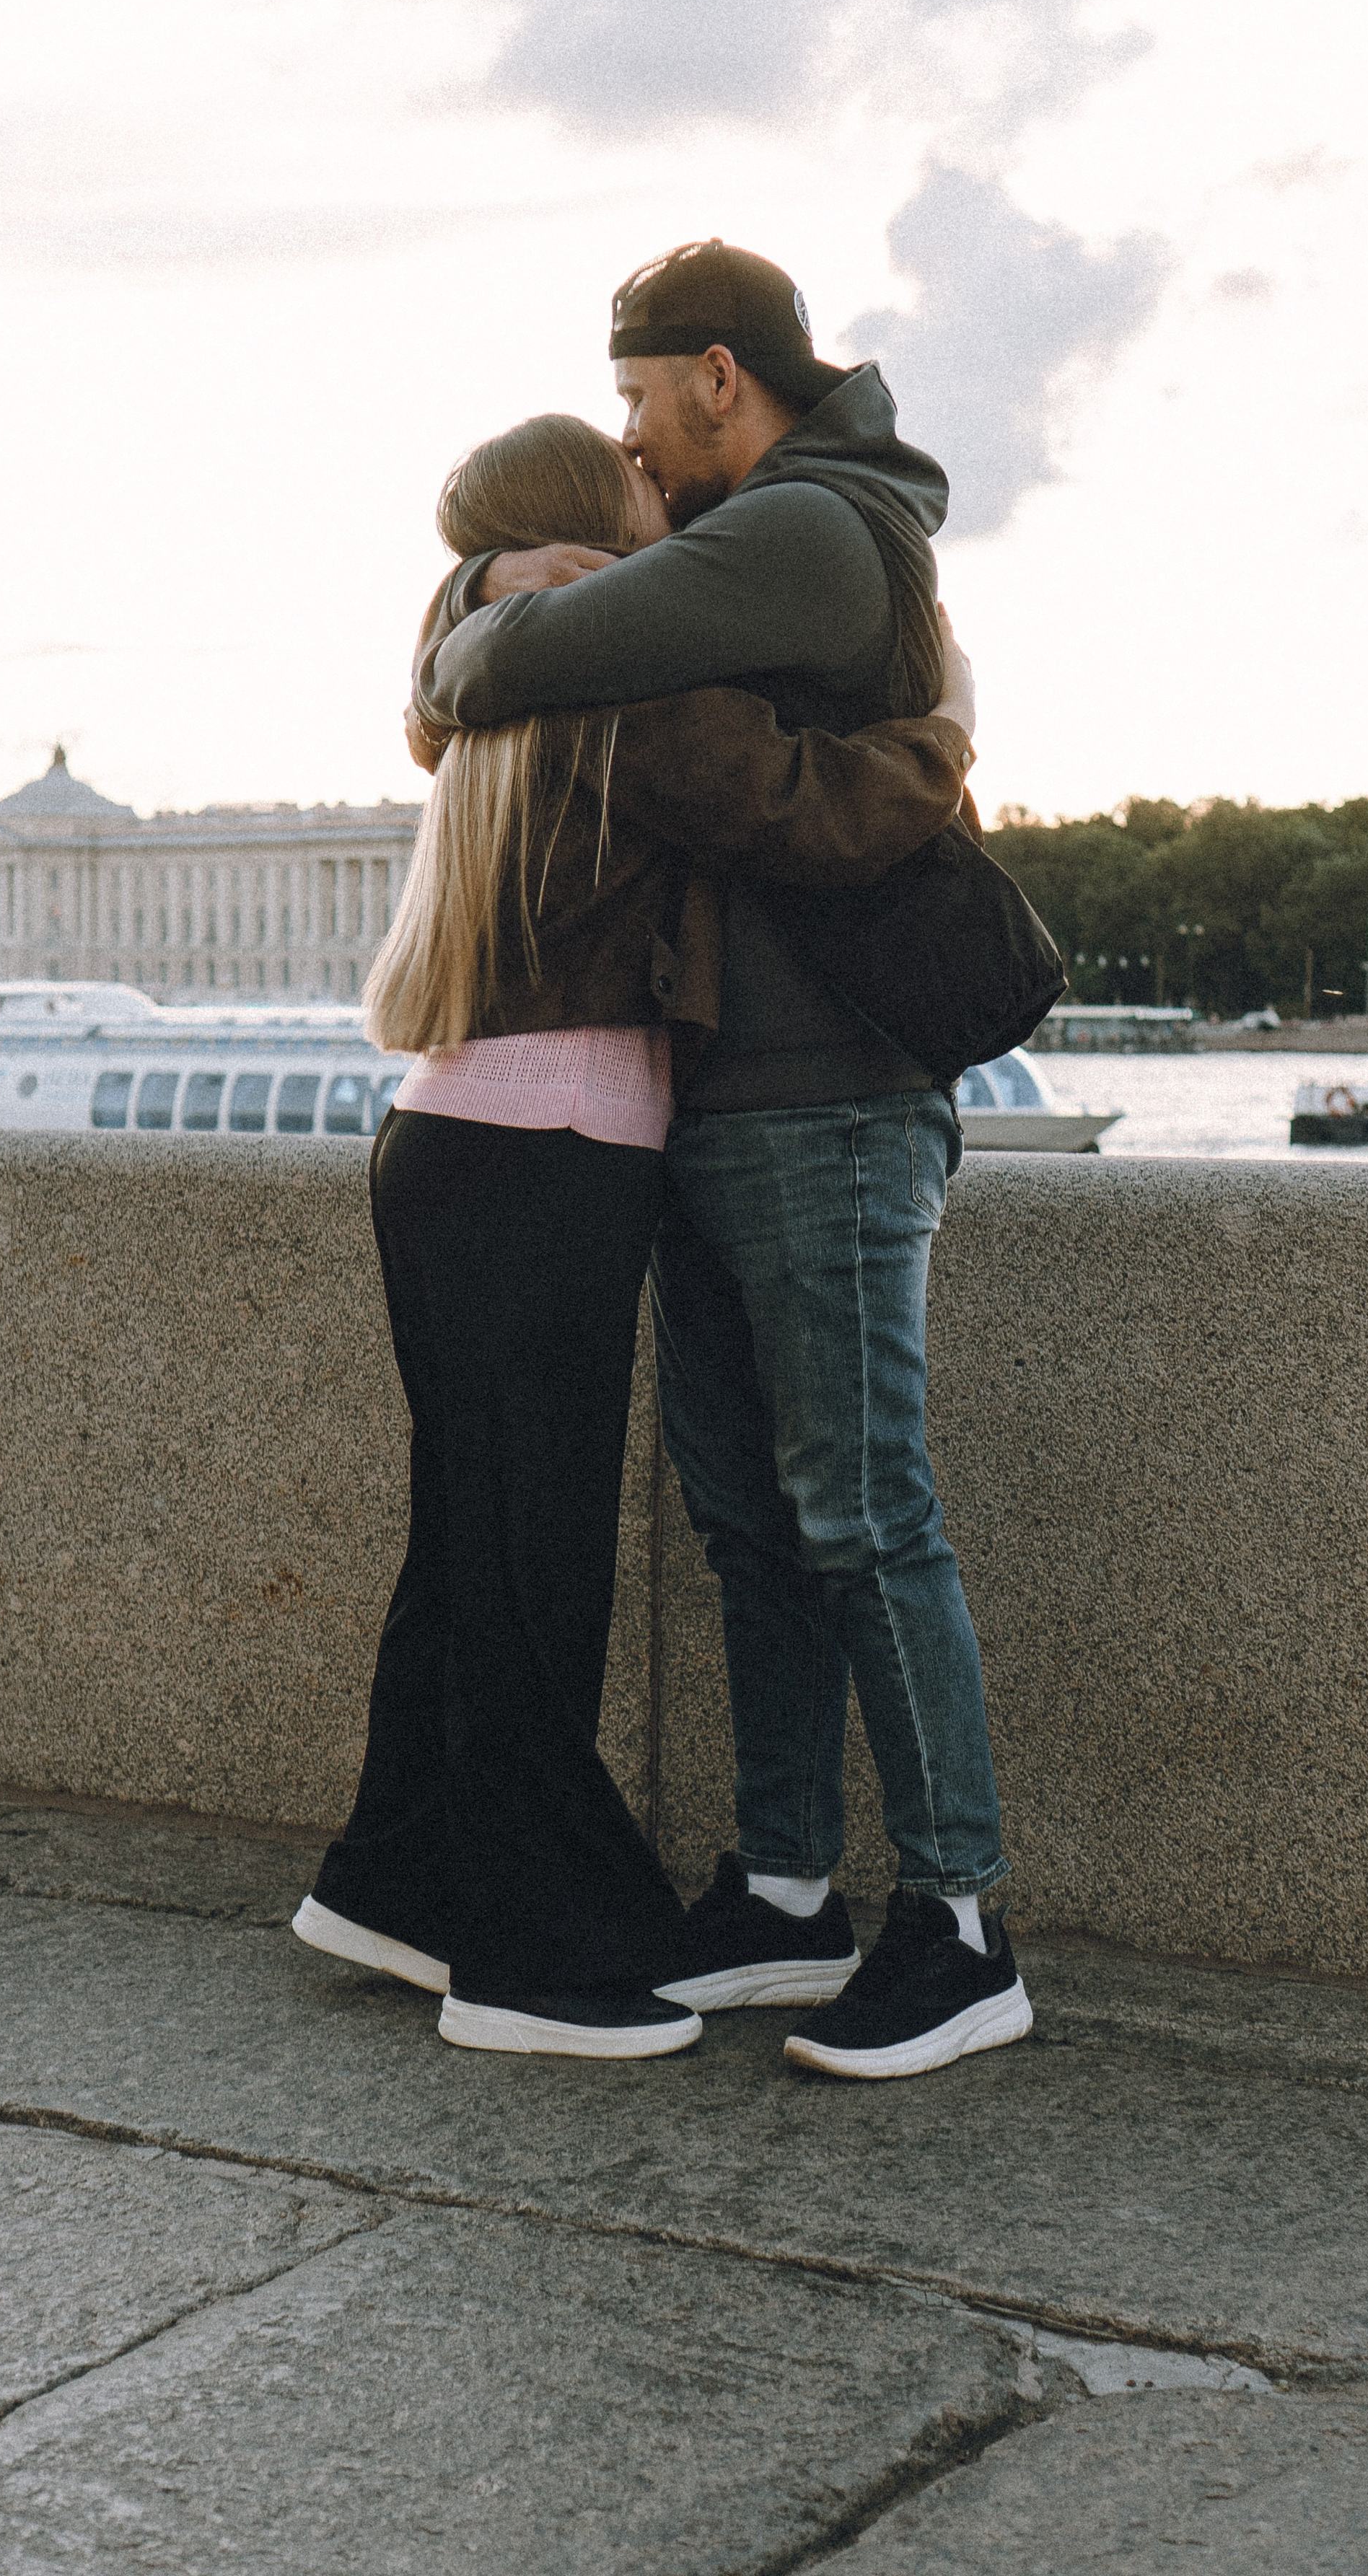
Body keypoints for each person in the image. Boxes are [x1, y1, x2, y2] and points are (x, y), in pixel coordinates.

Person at [413, 242, 1032, 2081]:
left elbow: (530, 672)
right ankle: (781, 1891)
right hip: (725, 1093)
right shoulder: (736, 540)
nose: (625, 440)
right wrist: (480, 600)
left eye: (635, 400)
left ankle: (958, 1926)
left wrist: (482, 611)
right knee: (753, 1525)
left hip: (827, 1094)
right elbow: (503, 685)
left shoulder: (804, 528)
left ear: (713, 373)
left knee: (860, 1513)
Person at [292, 409, 975, 2062]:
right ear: (594, 522)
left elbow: (430, 691)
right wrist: (945, 724)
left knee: (465, 1552)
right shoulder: (623, 688)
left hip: (447, 1136)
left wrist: (476, 587)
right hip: (552, 1154)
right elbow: (814, 811)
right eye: (634, 481)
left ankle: (395, 1882)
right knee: (537, 1578)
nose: (656, 479)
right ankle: (528, 1962)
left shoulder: (490, 664)